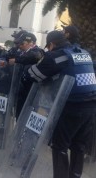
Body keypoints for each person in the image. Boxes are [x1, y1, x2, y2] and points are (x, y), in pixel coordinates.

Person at [26, 30, 96, 178]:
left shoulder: (56, 55)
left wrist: (39, 61)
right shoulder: (83, 52)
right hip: (91, 106)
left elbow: (33, 75)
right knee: (79, 145)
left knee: (59, 146)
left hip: (71, 106)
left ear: (51, 44)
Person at [8, 32, 44, 119]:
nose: (19, 46)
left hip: (31, 90)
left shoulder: (37, 51)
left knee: (27, 115)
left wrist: (16, 60)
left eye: (22, 43)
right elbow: (8, 56)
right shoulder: (22, 52)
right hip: (20, 89)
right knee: (19, 114)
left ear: (31, 43)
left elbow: (34, 56)